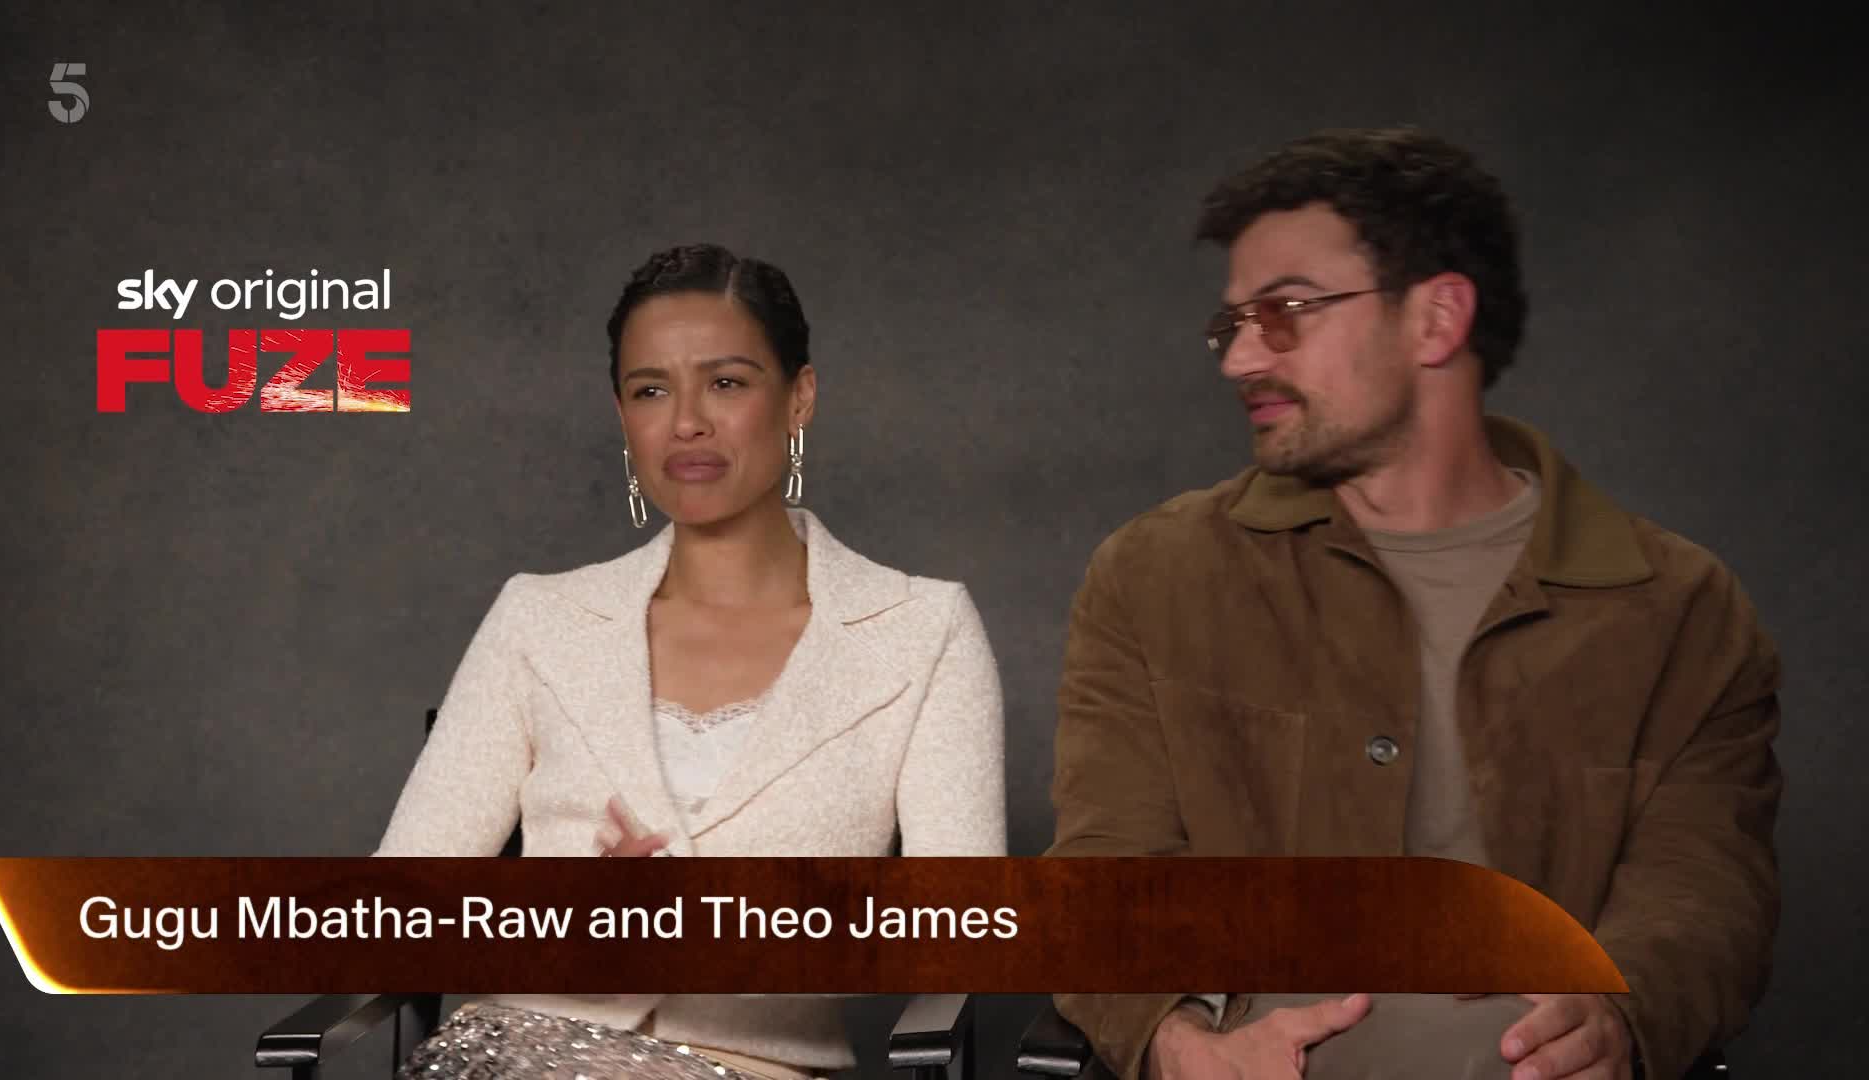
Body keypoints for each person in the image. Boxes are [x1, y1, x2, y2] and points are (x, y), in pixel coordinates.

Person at [1047, 129, 1781, 1080]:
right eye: (1232, 325)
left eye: (1286, 311)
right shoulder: (1156, 575)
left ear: (1436, 319)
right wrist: (1181, 1047)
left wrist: (1619, 1012)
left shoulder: (1680, 610)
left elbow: (1708, 888)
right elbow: (1105, 874)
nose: (1240, 358)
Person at [377, 243, 1007, 1079]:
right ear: (623, 416)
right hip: (514, 1055)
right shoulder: (538, 617)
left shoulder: (923, 630)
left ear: (799, 397)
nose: (686, 422)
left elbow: (963, 931)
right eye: (651, 391)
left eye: (727, 383)